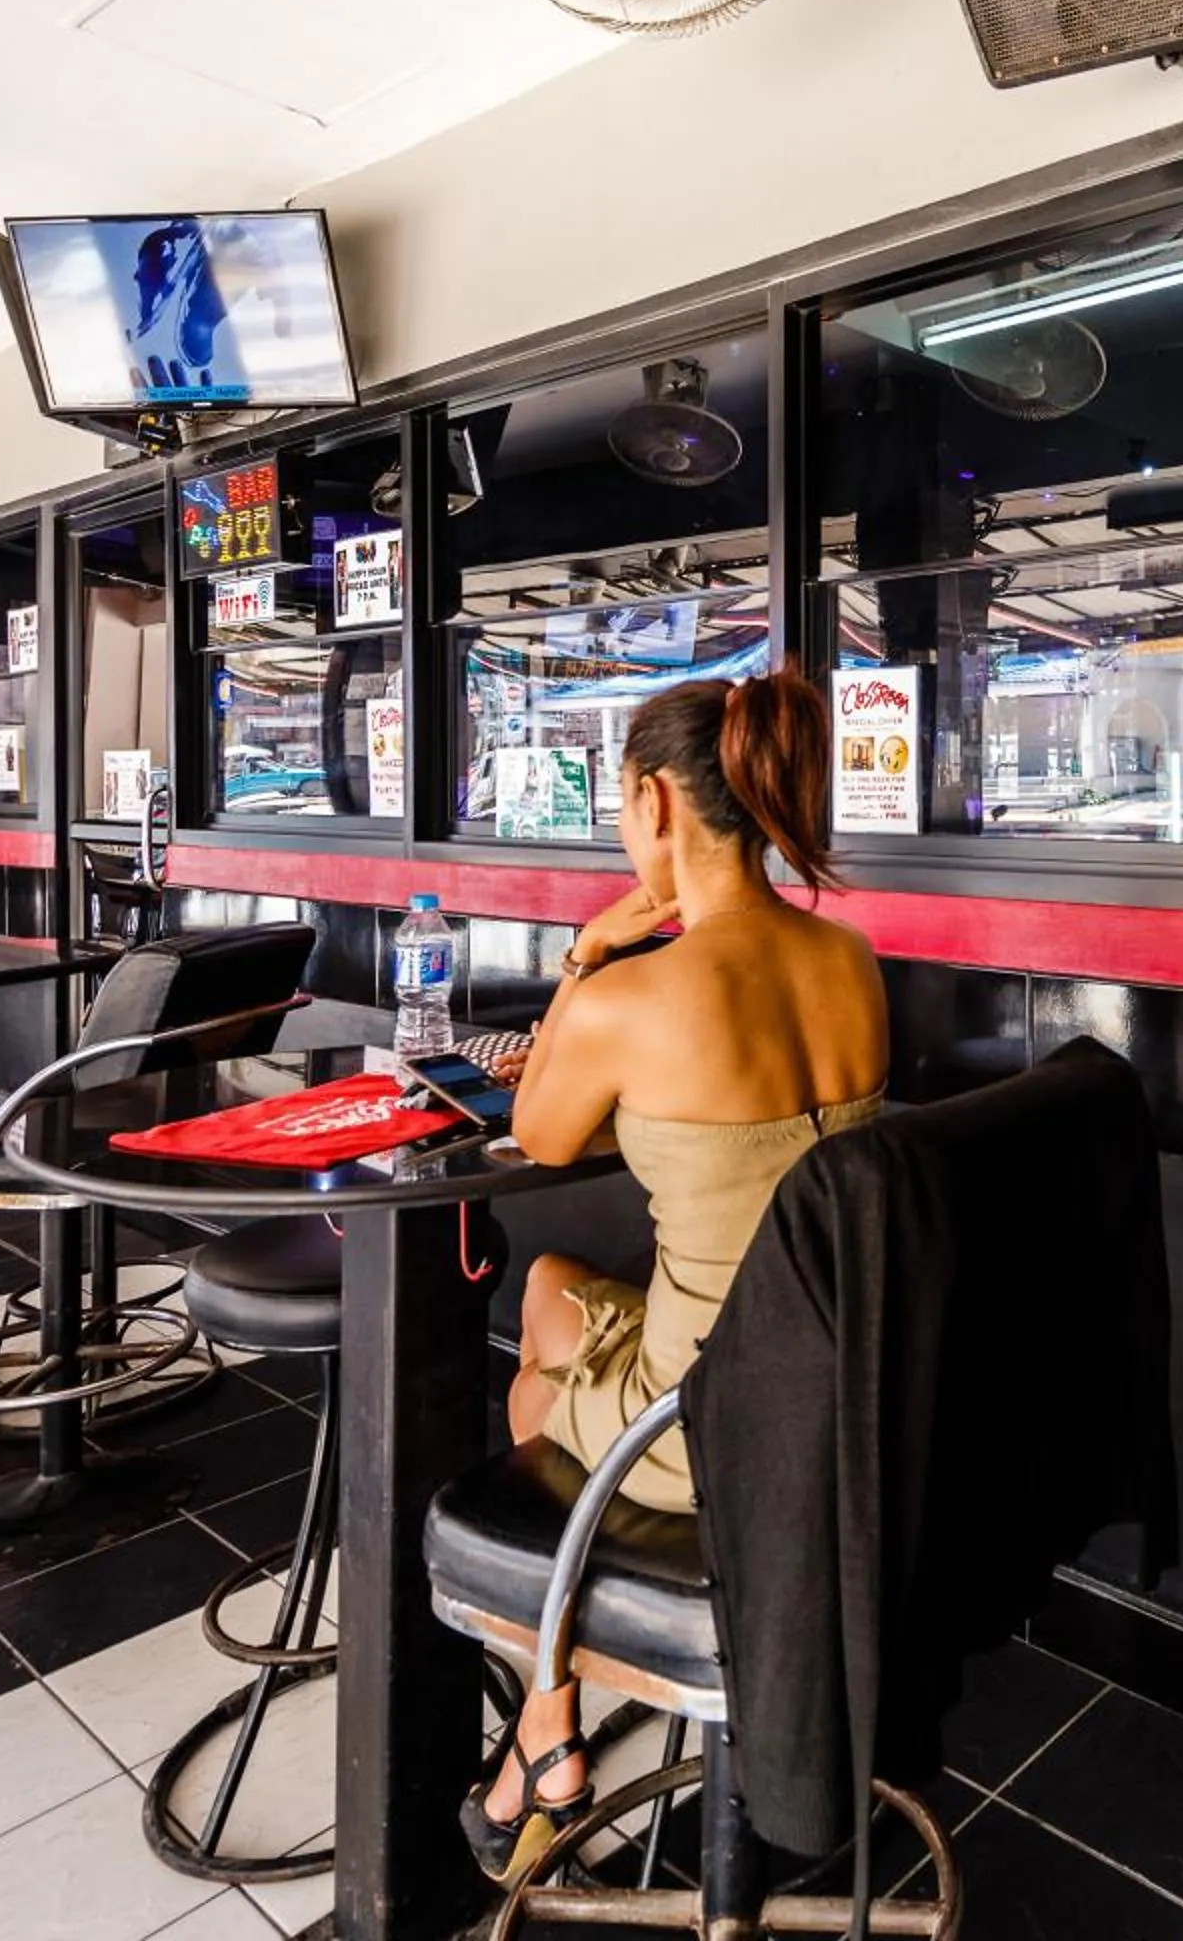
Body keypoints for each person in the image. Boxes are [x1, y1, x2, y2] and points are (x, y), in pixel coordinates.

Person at [462, 666, 889, 1886]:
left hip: (709, 1421)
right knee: (556, 1278)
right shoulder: (850, 958)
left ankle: (547, 1719)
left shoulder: (630, 992)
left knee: (537, 1373)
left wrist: (587, 955)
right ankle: (573, 1684)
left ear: (654, 801)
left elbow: (539, 1132)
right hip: (841, 1383)